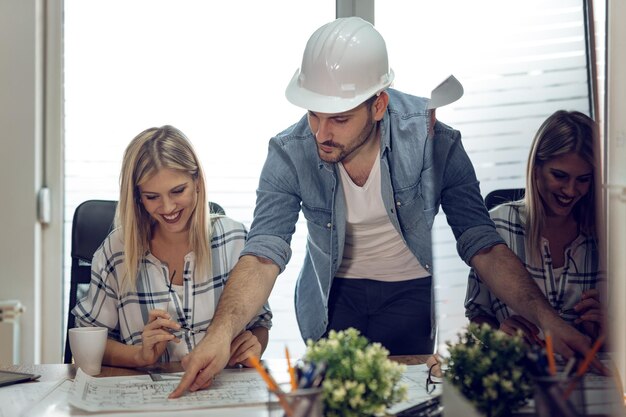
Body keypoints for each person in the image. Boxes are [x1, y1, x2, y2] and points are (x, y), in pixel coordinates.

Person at [169, 17, 596, 398]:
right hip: (333, 294)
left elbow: (481, 243)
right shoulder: (288, 150)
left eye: (339, 118)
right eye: (314, 114)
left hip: (409, 292)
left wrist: (548, 320)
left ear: (378, 104)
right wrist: (219, 334)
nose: (321, 133)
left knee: (409, 399)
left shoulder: (434, 140)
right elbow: (264, 251)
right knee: (339, 400)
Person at [72, 125, 272, 368]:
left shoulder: (235, 239)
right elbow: (89, 340)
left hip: (220, 391)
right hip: (147, 396)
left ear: (197, 181)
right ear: (137, 198)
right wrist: (139, 355)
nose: (167, 208)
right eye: (152, 197)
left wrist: (255, 344)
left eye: (178, 191)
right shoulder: (116, 251)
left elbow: (260, 324)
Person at [465, 110, 605, 343]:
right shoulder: (496, 227)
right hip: (520, 372)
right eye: (560, 176)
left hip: (587, 373)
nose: (570, 191)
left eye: (583, 179)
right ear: (536, 168)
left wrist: (610, 329)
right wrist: (496, 336)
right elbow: (477, 314)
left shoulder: (604, 235)